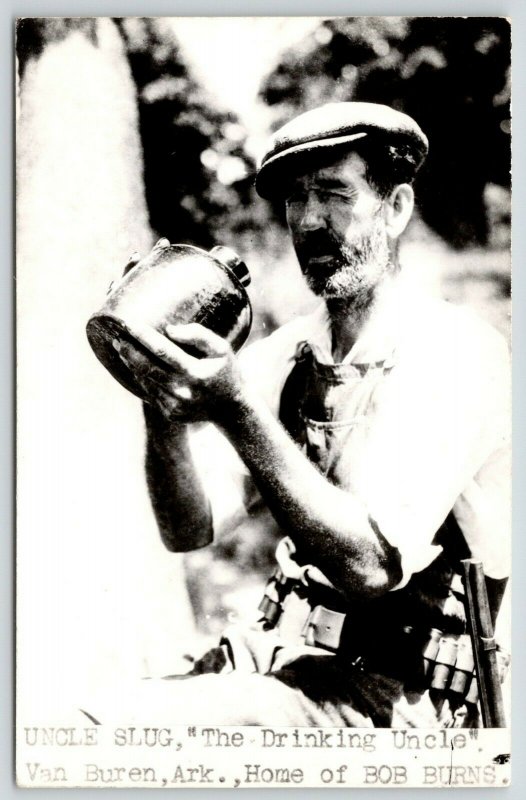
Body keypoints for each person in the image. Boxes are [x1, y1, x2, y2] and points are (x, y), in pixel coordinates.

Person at [112, 102, 510, 727]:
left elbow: (369, 567)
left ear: (396, 207)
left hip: (397, 695)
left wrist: (238, 407)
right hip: (277, 660)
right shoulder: (290, 353)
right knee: (89, 715)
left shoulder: (453, 353)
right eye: (296, 199)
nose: (310, 221)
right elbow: (188, 529)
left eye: (333, 193)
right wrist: (158, 395)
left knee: (124, 729)